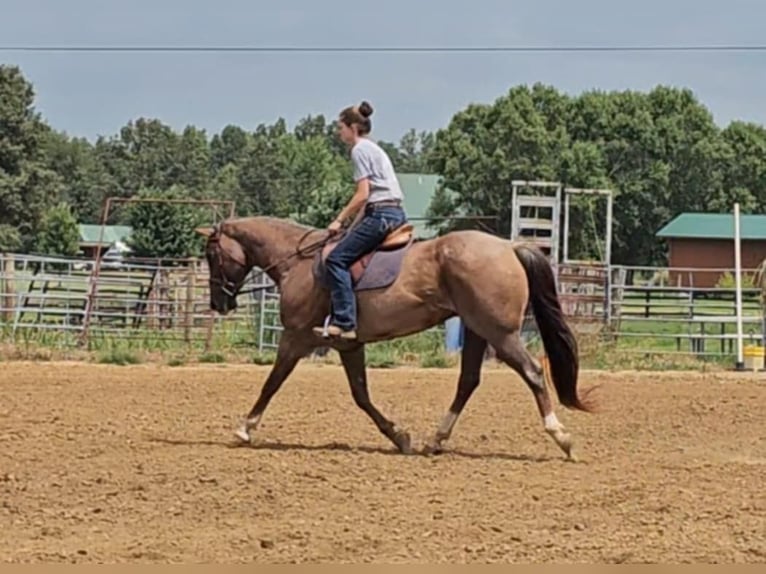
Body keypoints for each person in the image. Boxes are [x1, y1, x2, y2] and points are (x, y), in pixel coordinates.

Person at [313, 100, 408, 341]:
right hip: (392, 212)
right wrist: (350, 227)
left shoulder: (358, 150)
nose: (338, 132)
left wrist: (338, 220)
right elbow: (368, 199)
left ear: (353, 127)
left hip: (381, 214)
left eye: (340, 127)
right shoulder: (374, 148)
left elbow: (362, 194)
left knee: (335, 260)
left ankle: (345, 322)